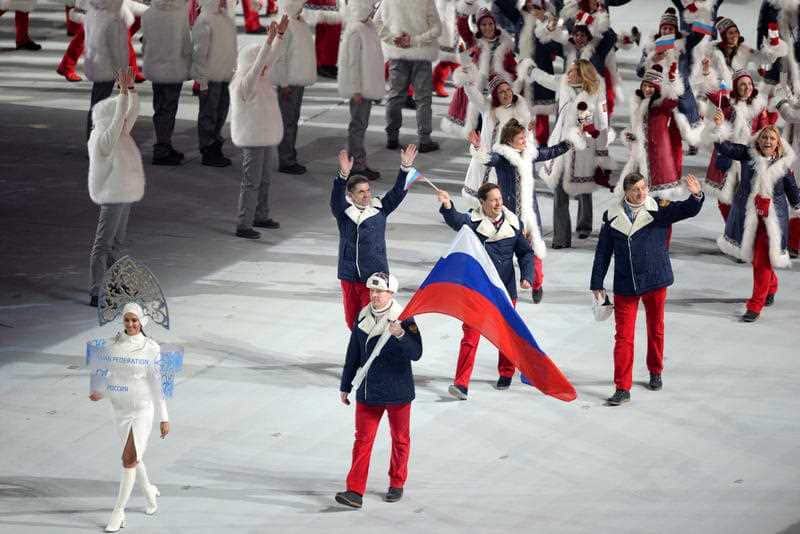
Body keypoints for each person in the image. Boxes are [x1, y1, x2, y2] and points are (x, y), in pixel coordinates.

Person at [590, 172, 704, 406]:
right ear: (626, 192)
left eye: (643, 188)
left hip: (655, 280)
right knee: (623, 337)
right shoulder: (611, 217)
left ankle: (655, 370)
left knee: (656, 328)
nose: (641, 192)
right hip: (626, 283)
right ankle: (622, 387)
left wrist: (697, 195)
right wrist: (597, 283)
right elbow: (603, 252)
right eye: (636, 189)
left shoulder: (659, 208)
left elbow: (687, 209)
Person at [436, 183, 534, 399]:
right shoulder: (472, 221)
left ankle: (506, 372)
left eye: (500, 198)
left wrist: (527, 276)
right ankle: (461, 384)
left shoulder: (514, 223)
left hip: (505, 289)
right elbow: (455, 220)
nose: (498, 203)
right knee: (470, 337)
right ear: (482, 202)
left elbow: (525, 254)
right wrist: (447, 205)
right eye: (493, 199)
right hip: (478, 289)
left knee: (506, 332)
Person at [335, 272, 423, 509]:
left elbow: (416, 353)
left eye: (379, 291)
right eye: (372, 291)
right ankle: (354, 490)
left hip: (398, 390)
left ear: (391, 293)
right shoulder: (362, 316)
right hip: (369, 390)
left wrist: (402, 335)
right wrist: (345, 385)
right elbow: (353, 353)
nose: (373, 295)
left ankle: (397, 482)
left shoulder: (404, 318)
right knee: (362, 440)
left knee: (400, 439)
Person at [469, 118, 578, 302]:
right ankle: (502, 289)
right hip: (508, 217)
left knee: (533, 251)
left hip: (529, 216)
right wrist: (478, 148)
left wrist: (572, 139)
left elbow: (551, 151)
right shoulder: (502, 158)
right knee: (503, 253)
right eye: (521, 138)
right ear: (510, 140)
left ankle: (536, 283)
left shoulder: (529, 154)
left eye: (524, 137)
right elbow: (487, 159)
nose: (525, 141)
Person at [89, 302, 170, 532]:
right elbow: (107, 374)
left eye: (135, 320)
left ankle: (118, 512)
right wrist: (100, 392)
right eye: (127, 320)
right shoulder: (111, 345)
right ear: (122, 321)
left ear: (141, 321)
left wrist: (164, 417)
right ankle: (149, 492)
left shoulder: (151, 347)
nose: (131, 324)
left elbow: (156, 384)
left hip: (142, 410)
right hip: (119, 409)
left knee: (128, 459)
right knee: (134, 459)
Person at [713, 120, 800, 322]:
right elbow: (724, 147)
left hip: (772, 224)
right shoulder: (747, 155)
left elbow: (795, 198)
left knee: (762, 262)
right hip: (748, 217)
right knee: (757, 259)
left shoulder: (785, 169)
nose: (767, 141)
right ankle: (772, 285)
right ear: (758, 140)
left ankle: (755, 305)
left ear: (778, 144)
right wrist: (719, 127)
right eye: (764, 137)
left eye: (772, 138)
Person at [331, 145, 418, 329]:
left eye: (368, 190)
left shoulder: (379, 209)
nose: (366, 195)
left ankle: (369, 356)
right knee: (352, 322)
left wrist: (405, 168)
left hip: (373, 278)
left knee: (370, 322)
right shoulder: (343, 212)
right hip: (349, 276)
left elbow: (398, 192)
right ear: (351, 195)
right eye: (361, 192)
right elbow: (335, 199)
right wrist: (342, 176)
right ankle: (359, 354)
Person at [538, 59, 613, 247]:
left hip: (583, 150)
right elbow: (546, 79)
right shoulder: (563, 84)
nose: (567, 74)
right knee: (559, 190)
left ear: (581, 74)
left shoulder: (595, 94)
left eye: (571, 72)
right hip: (561, 148)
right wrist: (529, 68)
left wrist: (598, 146)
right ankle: (561, 238)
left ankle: (584, 225)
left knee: (583, 189)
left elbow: (602, 125)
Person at [88, 69, 144, 308]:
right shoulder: (103, 139)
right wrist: (121, 94)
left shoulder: (120, 133)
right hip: (112, 194)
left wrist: (130, 90)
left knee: (116, 243)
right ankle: (96, 290)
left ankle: (114, 283)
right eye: (117, 118)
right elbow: (120, 117)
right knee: (103, 244)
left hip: (125, 192)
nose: (123, 122)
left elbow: (131, 113)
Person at [230, 16, 290, 239]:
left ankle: (261, 215)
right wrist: (267, 43)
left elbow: (269, 60)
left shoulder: (263, 80)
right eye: (261, 64)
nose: (266, 67)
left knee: (264, 179)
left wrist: (279, 38)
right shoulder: (243, 85)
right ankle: (243, 224)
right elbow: (257, 67)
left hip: (265, 136)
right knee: (251, 182)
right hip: (252, 138)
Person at [699, 70, 776, 222]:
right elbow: (709, 91)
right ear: (735, 87)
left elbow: (764, 129)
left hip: (748, 156)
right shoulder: (727, 103)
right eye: (742, 84)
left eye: (749, 84)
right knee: (724, 198)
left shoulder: (759, 107)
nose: (747, 87)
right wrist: (706, 72)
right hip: (728, 155)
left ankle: (740, 231)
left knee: (747, 198)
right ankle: (731, 228)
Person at [374, 0, 442, 153]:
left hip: (398, 54)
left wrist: (394, 39)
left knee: (395, 96)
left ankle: (392, 137)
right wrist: (414, 40)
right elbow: (437, 29)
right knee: (423, 99)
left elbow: (376, 23)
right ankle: (425, 140)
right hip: (421, 54)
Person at [441, 4, 516, 139]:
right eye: (483, 24)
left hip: (497, 90)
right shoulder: (474, 41)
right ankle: (479, 150)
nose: (487, 27)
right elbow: (462, 27)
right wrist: (468, 4)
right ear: (479, 27)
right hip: (478, 89)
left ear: (494, 24)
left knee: (493, 124)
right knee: (478, 123)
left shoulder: (505, 44)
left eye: (490, 24)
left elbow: (512, 68)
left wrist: (514, 84)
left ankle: (488, 149)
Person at [141, 0, 193, 165]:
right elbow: (185, 45)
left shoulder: (149, 13)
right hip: (173, 67)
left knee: (159, 106)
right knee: (169, 108)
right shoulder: (179, 13)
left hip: (155, 66)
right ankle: (162, 147)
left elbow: (145, 42)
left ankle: (163, 144)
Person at [337, 0, 384, 181]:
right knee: (357, 126)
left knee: (361, 125)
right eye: (371, 7)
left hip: (367, 85)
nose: (373, 10)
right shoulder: (357, 29)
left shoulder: (368, 26)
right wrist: (356, 88)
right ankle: (356, 166)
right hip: (360, 89)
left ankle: (359, 163)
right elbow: (352, 62)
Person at [272, 0, 317, 175]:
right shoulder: (287, 24)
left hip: (296, 80)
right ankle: (286, 160)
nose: (303, 6)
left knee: (292, 119)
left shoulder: (298, 22)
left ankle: (289, 155)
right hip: (288, 82)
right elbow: (278, 56)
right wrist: (283, 83)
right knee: (287, 121)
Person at [191, 0, 238, 167]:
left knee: (220, 112)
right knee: (208, 114)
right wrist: (202, 82)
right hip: (211, 77)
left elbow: (231, 48)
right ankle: (207, 149)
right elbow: (199, 53)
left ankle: (215, 144)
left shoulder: (225, 19)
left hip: (225, 74)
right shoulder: (205, 20)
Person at [83, 0, 130, 140]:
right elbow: (117, 51)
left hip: (95, 63)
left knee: (96, 102)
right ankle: (96, 141)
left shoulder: (93, 13)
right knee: (100, 106)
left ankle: (92, 139)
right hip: (107, 67)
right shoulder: (112, 19)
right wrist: (123, 72)